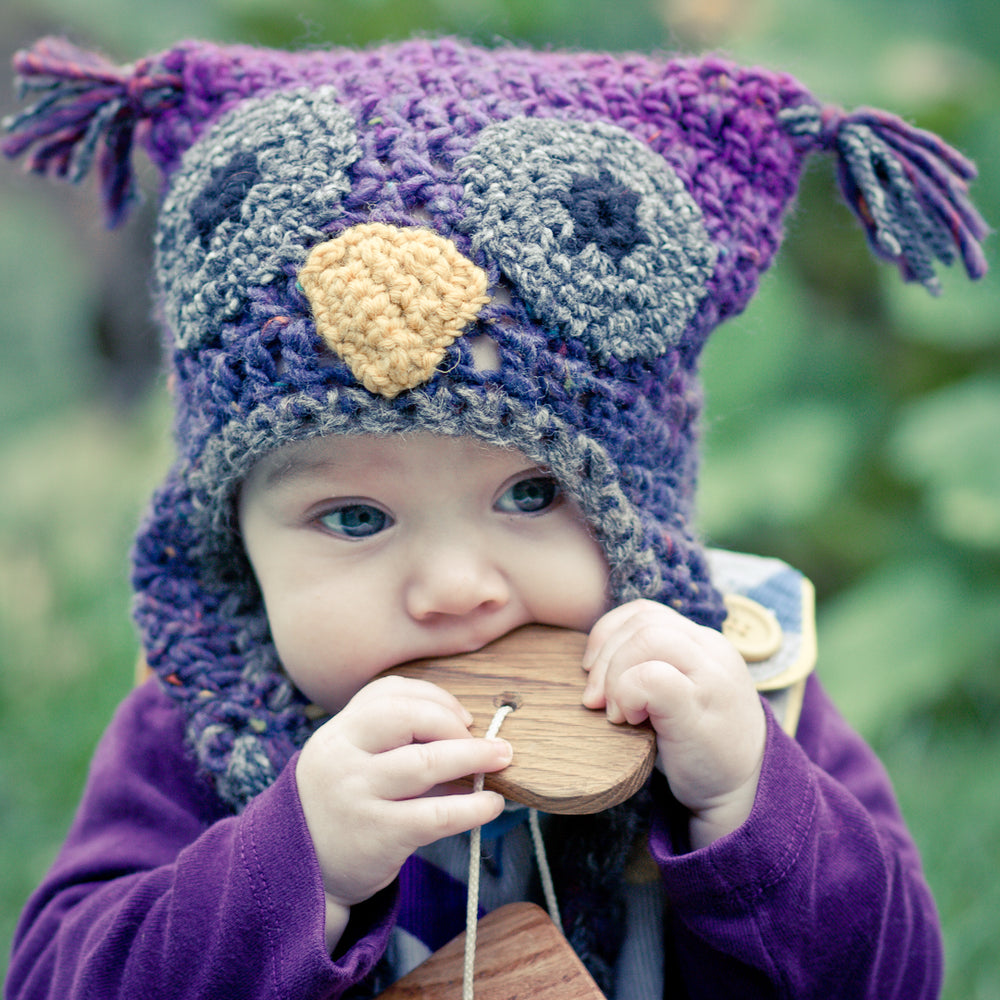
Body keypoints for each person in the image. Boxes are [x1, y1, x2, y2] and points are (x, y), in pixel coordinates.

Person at [2, 34, 987, 1000]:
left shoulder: (740, 694)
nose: (455, 588)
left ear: (638, 509)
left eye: (529, 495)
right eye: (353, 517)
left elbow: (899, 977)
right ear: (231, 542)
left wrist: (744, 804)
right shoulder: (207, 726)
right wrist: (298, 863)